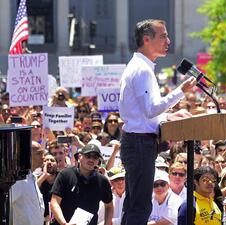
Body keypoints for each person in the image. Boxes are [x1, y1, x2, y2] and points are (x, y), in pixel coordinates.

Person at [118, 19, 196, 225]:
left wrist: (168, 117)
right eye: (163, 36)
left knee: (133, 205)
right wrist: (181, 91)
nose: (168, 41)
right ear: (146, 39)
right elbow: (150, 109)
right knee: (141, 207)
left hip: (138, 143)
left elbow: (145, 113)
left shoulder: (141, 67)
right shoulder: (142, 69)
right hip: (139, 144)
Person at [50, 144, 114, 225]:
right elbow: (54, 202)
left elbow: (109, 206)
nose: (91, 159)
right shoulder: (65, 174)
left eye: (95, 157)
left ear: (98, 161)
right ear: (80, 156)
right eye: (88, 156)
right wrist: (64, 223)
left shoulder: (102, 181)